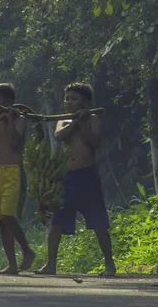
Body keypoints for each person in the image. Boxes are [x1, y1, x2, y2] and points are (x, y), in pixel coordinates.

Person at [35, 82, 116, 276]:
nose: (68, 102)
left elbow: (94, 143)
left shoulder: (93, 119)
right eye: (67, 98)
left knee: (99, 221)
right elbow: (59, 136)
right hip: (67, 178)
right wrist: (74, 121)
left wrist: (82, 123)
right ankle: (50, 264)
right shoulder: (62, 120)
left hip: (87, 176)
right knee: (57, 221)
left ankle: (109, 264)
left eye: (74, 99)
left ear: (86, 103)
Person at [0, 83, 35, 275]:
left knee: (8, 216)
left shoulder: (20, 120)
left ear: (9, 102)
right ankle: (12, 264)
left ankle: (27, 250)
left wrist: (10, 119)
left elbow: (13, 143)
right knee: (1, 221)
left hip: (13, 172)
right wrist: (1, 116)